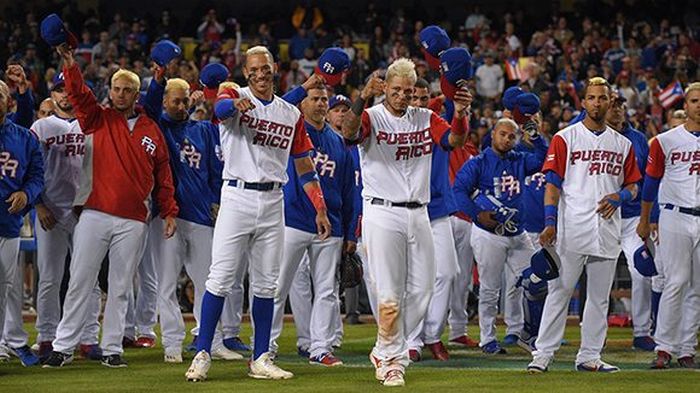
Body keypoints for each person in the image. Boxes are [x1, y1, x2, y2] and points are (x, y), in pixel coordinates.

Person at [185, 46, 331, 382]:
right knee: (220, 277)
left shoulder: (291, 113)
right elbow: (221, 109)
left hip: (273, 200)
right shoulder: (234, 93)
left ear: (275, 68)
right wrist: (234, 105)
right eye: (253, 69)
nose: (260, 74)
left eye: (265, 68)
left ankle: (261, 357)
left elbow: (305, 165)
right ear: (245, 71)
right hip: (236, 196)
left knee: (267, 285)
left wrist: (319, 206)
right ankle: (203, 351)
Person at [42, 44, 178, 369]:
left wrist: (169, 210)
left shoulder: (151, 129)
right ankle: (63, 346)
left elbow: (164, 174)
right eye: (116, 88)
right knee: (80, 280)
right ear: (110, 91)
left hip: (134, 219)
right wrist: (70, 62)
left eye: (127, 90)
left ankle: (113, 347)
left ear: (136, 95)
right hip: (95, 212)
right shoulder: (97, 118)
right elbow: (78, 93)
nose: (119, 94)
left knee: (120, 286)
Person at [341, 58, 470, 387]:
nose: (401, 96)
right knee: (389, 292)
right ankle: (391, 358)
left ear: (415, 90)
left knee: (424, 289)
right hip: (382, 211)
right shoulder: (373, 115)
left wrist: (462, 113)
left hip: (419, 211)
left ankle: (386, 348)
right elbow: (349, 131)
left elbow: (454, 141)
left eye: (407, 91)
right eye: (395, 90)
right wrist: (361, 97)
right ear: (385, 88)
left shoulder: (425, 117)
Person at [528, 77, 641, 373]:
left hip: (607, 228)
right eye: (591, 97)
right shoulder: (565, 138)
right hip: (572, 227)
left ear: (609, 102)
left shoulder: (623, 144)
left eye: (602, 98)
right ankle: (542, 355)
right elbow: (552, 184)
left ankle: (589, 355)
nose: (597, 103)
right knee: (560, 292)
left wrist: (620, 196)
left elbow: (634, 187)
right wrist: (550, 222)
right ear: (583, 102)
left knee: (599, 298)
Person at [142, 72, 245, 363]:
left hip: (201, 216)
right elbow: (148, 107)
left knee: (209, 283)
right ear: (164, 101)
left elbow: (215, 171)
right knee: (167, 284)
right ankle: (172, 344)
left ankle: (209, 341)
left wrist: (216, 202)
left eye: (185, 100)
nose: (181, 106)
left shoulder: (204, 130)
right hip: (168, 216)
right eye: (175, 101)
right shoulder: (157, 127)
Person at [269, 83, 357, 366]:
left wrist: (348, 230)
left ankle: (320, 348)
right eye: (315, 99)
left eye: (324, 100)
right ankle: (265, 346)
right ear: (302, 104)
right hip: (293, 218)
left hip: (330, 225)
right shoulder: (290, 132)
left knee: (327, 290)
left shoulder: (338, 143)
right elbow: (274, 106)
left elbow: (347, 191)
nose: (320, 103)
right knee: (277, 287)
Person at [453, 115, 548, 355]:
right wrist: (477, 214)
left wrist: (536, 137)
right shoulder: (479, 162)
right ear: (493, 134)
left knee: (535, 280)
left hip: (518, 231)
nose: (507, 139)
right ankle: (487, 338)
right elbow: (458, 191)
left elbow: (543, 159)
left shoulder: (519, 159)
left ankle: (528, 333)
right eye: (503, 134)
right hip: (489, 234)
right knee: (489, 289)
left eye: (512, 136)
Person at [30, 73, 103, 362]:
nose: (63, 95)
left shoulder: (93, 125)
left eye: (67, 89)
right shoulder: (41, 126)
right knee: (49, 277)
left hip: (85, 211)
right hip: (50, 209)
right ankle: (46, 336)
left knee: (89, 277)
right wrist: (38, 205)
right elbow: (30, 169)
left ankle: (87, 338)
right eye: (58, 90)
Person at [406, 79, 472, 362]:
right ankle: (411, 339)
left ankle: (432, 335)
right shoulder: (398, 125)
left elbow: (457, 137)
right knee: (411, 279)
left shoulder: (436, 122)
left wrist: (457, 110)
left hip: (437, 209)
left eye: (425, 98)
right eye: (415, 98)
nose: (421, 103)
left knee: (447, 272)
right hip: (407, 209)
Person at [639, 82, 700, 369]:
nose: (698, 105)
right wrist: (646, 219)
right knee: (676, 282)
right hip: (675, 215)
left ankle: (687, 349)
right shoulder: (666, 140)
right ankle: (664, 347)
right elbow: (650, 182)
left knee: (698, 288)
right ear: (685, 105)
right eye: (694, 100)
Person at [604, 91, 656, 351]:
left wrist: (649, 217)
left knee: (642, 271)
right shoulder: (594, 134)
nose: (616, 109)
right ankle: (595, 329)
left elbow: (648, 180)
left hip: (633, 217)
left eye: (620, 105)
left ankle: (642, 331)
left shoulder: (638, 140)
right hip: (604, 216)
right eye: (612, 104)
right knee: (596, 274)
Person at [0, 80, 44, 366]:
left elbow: (38, 176)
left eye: (0, 95)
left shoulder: (25, 138)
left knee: (3, 287)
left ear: (8, 102)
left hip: (8, 223)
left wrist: (26, 193)